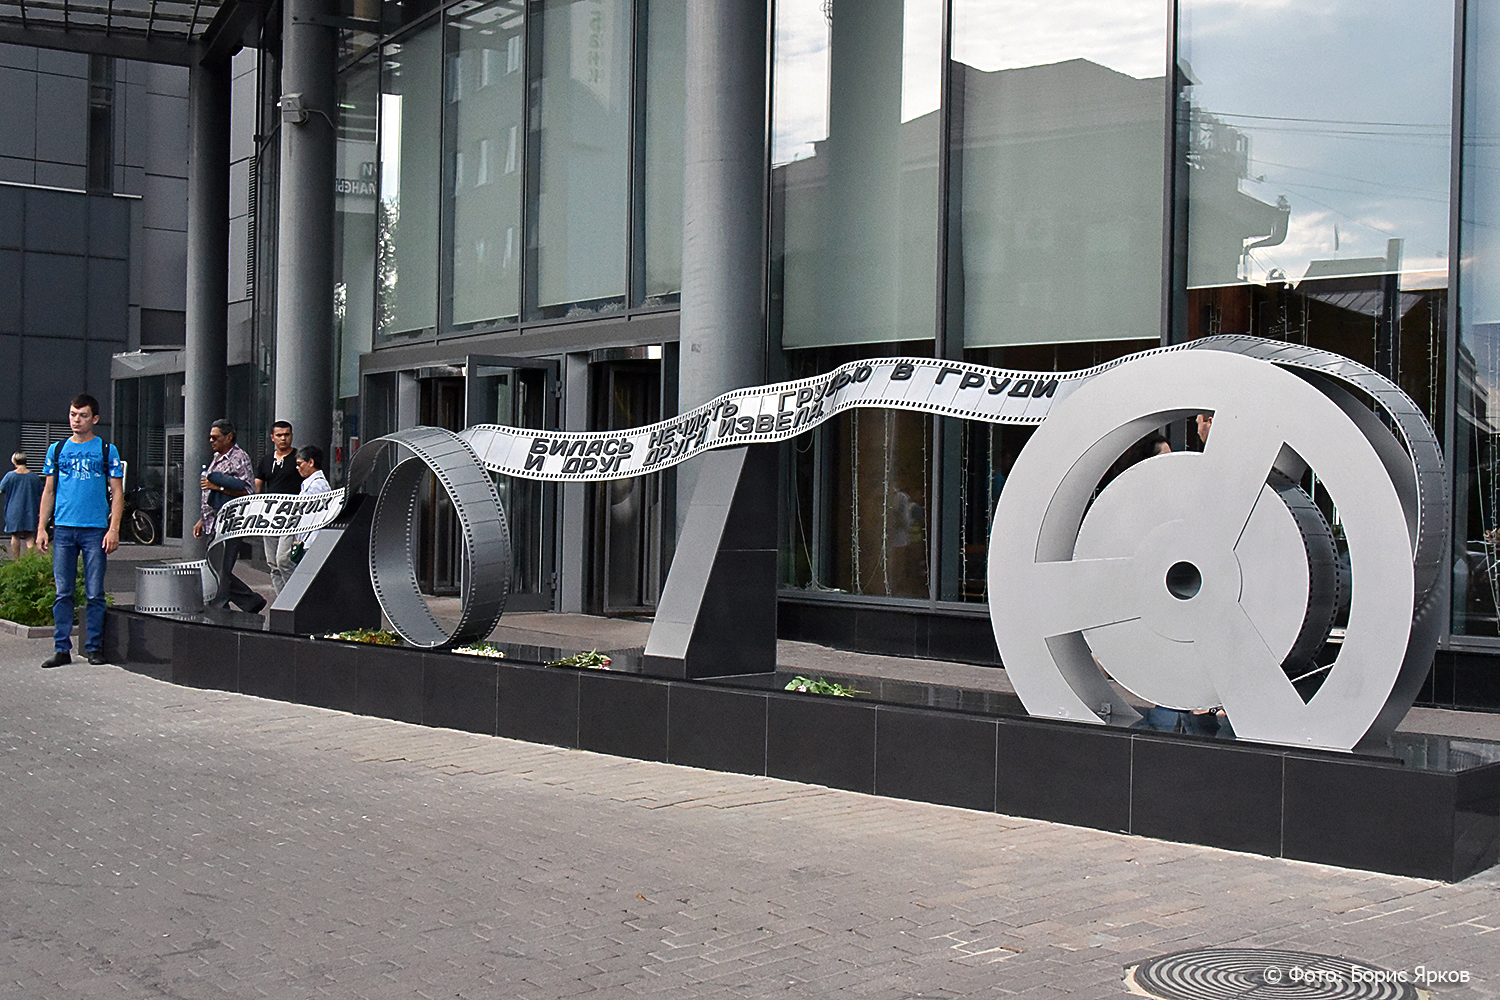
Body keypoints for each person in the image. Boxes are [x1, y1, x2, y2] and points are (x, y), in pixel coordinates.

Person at [36, 395, 125, 668]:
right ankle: (61, 648)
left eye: (83, 415)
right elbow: (49, 491)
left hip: (95, 530)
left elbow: (117, 492)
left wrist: (113, 529)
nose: (77, 420)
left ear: (94, 419)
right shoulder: (57, 449)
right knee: (63, 592)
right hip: (64, 529)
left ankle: (93, 647)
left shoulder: (106, 450)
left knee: (95, 592)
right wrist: (41, 527)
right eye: (73, 414)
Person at [193, 419, 265, 614]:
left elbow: (247, 491)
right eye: (210, 437)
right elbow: (210, 494)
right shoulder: (216, 457)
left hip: (231, 522)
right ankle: (251, 601)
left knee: (222, 568)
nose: (211, 441)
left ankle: (220, 607)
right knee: (214, 566)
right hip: (213, 521)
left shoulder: (239, 458)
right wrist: (202, 519)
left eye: (215, 437)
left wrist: (219, 487)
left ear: (229, 437)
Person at [254, 421, 300, 593]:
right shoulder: (266, 461)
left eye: (287, 435)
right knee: (273, 563)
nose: (283, 438)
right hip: (270, 516)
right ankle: (281, 600)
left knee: (284, 559)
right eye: (279, 435)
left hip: (292, 515)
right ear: (272, 438)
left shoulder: (298, 458)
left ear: (292, 436)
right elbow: (256, 487)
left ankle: (293, 596)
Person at [292, 445, 333, 559]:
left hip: (313, 539)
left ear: (311, 462)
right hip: (307, 538)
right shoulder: (310, 483)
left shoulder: (318, 485)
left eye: (299, 463)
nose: (297, 468)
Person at [1, 451, 44, 559]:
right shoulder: (34, 476)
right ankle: (30, 561)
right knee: (30, 536)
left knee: (15, 536)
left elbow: (1, 489)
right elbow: (41, 492)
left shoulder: (10, 476)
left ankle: (17, 561)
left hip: (13, 509)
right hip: (31, 509)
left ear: (14, 461)